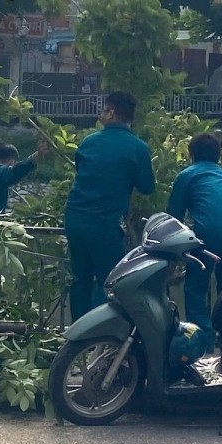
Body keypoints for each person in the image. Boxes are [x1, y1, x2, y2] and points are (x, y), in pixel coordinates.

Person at [64, 91, 155, 321]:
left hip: (74, 218)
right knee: (109, 281)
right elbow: (147, 187)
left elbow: (81, 169)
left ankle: (78, 332)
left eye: (103, 111)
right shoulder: (138, 148)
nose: (101, 115)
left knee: (80, 279)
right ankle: (102, 332)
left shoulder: (89, 142)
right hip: (105, 223)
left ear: (112, 113)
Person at [166, 133, 222, 356]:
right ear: (218, 156)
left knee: (195, 287)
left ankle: (203, 343)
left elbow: (173, 217)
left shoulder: (187, 175)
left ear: (191, 155)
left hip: (209, 232)